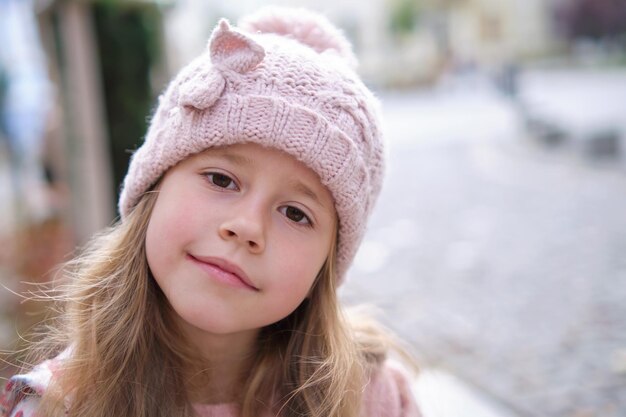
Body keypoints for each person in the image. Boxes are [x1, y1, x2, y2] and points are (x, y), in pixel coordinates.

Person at [1, 7, 421, 417]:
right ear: (154, 187)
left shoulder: (372, 398)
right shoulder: (59, 405)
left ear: (327, 263)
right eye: (221, 180)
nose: (245, 227)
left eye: (295, 213)